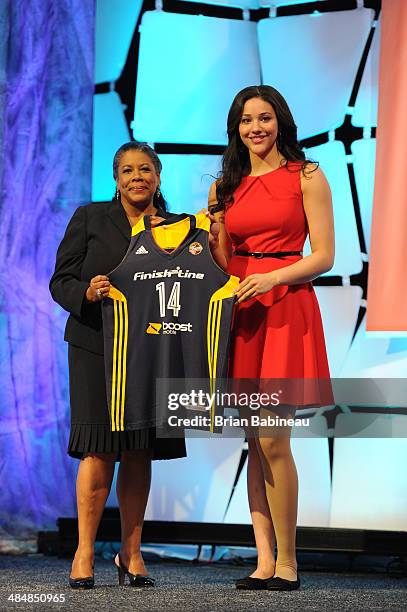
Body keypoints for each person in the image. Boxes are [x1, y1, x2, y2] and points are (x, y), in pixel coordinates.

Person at [207, 85, 334, 591]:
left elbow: (324, 256)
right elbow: (222, 260)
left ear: (280, 121)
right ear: (235, 127)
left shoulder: (307, 175)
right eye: (245, 120)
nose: (254, 128)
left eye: (263, 118)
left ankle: (289, 563)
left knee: (272, 438)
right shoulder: (224, 186)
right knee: (252, 442)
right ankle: (263, 562)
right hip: (241, 313)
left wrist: (275, 277)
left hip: (284, 306)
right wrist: (216, 236)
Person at [49, 142, 186, 589]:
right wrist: (87, 292)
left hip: (152, 352)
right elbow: (60, 281)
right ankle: (85, 551)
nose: (136, 177)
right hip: (94, 348)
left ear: (158, 177)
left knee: (139, 449)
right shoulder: (89, 218)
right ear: (116, 178)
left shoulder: (177, 228)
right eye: (127, 170)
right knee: (98, 449)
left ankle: (131, 553)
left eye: (145, 169)